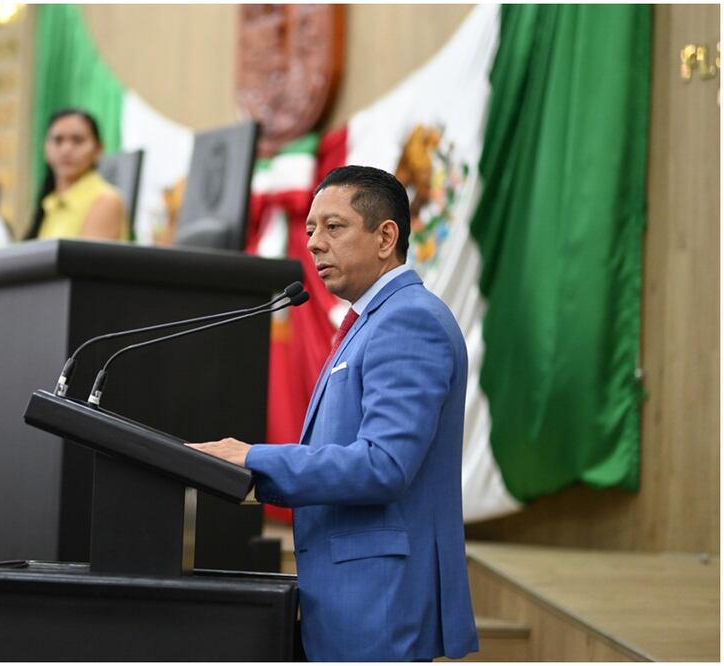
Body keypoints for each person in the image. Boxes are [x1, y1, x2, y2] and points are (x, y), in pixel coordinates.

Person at [188, 166, 478, 661]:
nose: (315, 244)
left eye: (333, 227)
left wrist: (255, 459)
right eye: (308, 231)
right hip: (351, 598)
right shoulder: (374, 321)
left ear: (386, 236)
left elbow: (384, 466)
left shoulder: (407, 320)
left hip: (379, 603)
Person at [26, 108, 128, 242]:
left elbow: (85, 262)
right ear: (45, 148)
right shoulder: (49, 204)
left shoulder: (106, 200)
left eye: (78, 140)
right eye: (58, 140)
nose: (66, 149)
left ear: (98, 150)